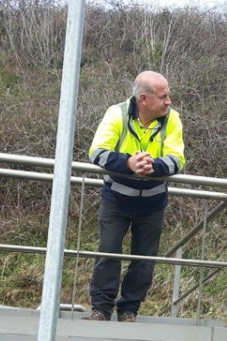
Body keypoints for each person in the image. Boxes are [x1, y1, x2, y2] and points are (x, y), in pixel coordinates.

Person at [83, 71, 185, 322]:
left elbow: (178, 158)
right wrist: (128, 163)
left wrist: (153, 167)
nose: (169, 101)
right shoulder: (116, 114)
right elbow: (97, 152)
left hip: (153, 202)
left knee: (144, 259)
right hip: (116, 199)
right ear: (144, 99)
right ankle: (101, 310)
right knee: (109, 251)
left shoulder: (172, 119)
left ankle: (129, 310)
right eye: (164, 96)